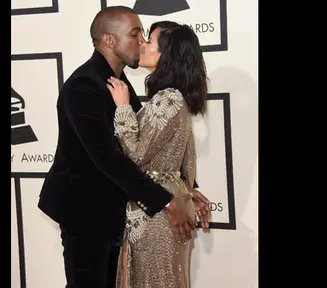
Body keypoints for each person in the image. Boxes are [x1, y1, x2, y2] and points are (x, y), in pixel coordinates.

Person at [37, 7, 209, 288]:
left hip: (114, 209)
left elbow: (151, 144)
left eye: (143, 34)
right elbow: (108, 158)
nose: (142, 40)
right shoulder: (84, 85)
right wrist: (167, 201)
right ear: (109, 40)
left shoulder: (118, 81)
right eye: (135, 33)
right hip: (84, 211)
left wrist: (185, 188)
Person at [106, 21, 210, 287]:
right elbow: (186, 159)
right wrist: (187, 192)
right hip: (167, 203)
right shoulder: (174, 97)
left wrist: (122, 108)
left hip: (156, 212)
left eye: (149, 41)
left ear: (168, 54)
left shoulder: (168, 98)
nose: (142, 43)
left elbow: (137, 153)